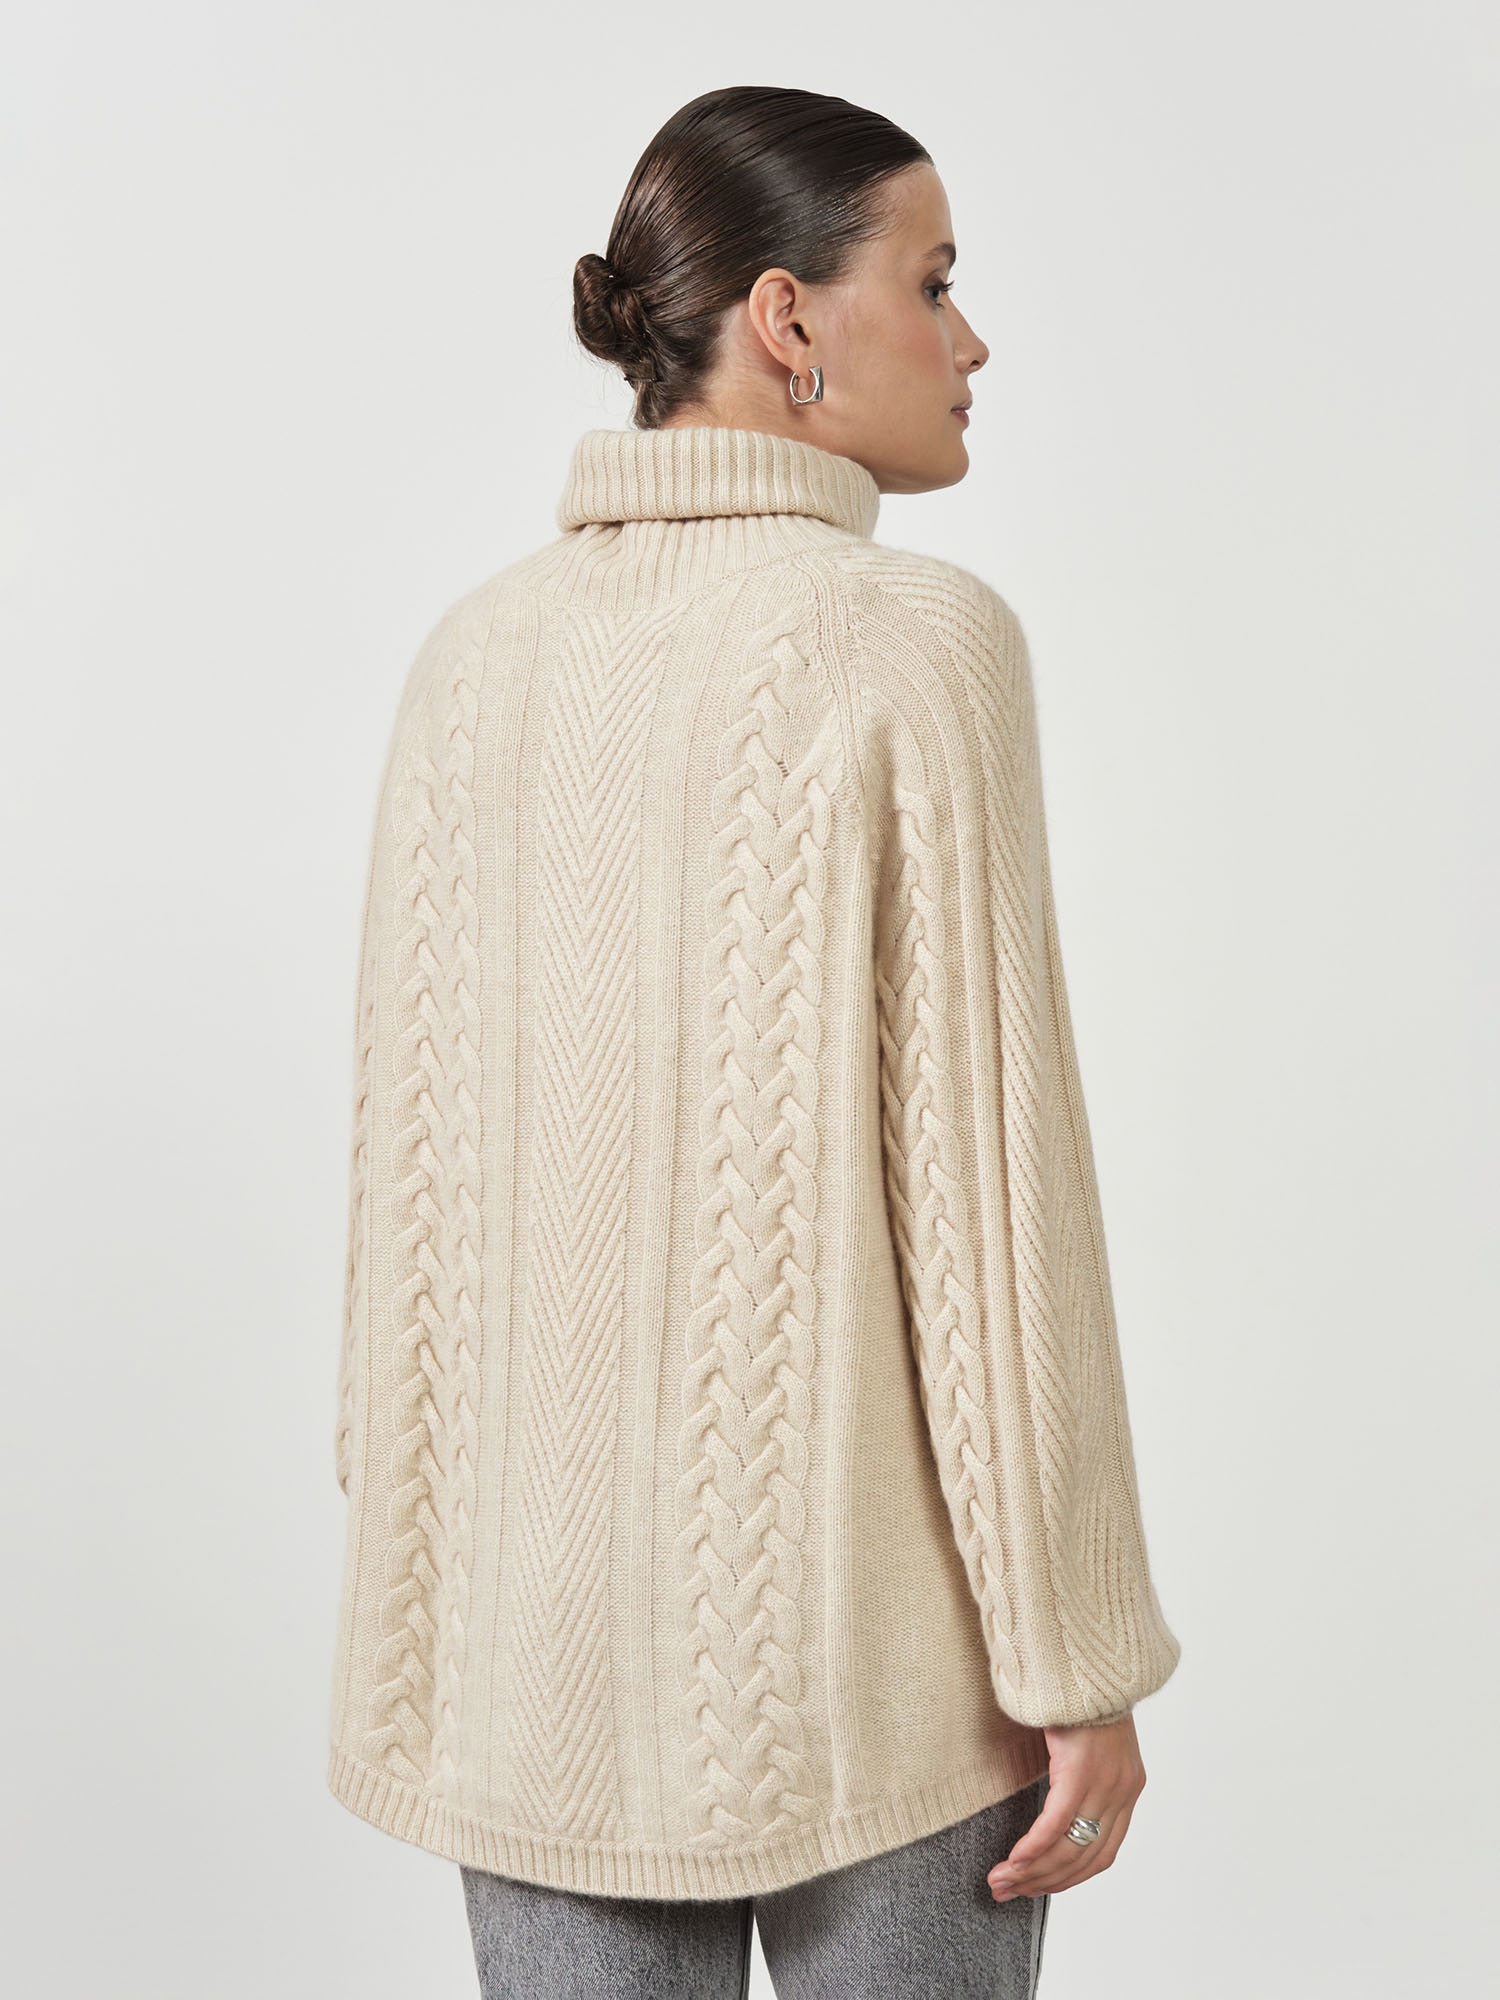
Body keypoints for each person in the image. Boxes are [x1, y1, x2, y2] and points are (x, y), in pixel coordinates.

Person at [326, 84, 1182, 2000]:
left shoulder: (472, 657)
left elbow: (405, 1208)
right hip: (883, 1689)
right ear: (787, 319)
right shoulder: (918, 641)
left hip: (523, 1674)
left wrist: (423, 1572)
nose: (972, 341)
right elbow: (994, 1210)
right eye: (934, 283)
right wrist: (1079, 1658)